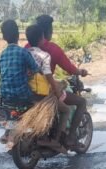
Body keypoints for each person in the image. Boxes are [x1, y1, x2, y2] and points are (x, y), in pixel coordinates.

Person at [29, 15, 89, 148]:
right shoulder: (52, 49)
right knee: (81, 102)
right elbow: (69, 68)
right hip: (46, 90)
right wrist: (81, 72)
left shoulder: (27, 47)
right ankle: (70, 138)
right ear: (47, 32)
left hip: (29, 89)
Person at [25, 24, 70, 153]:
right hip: (41, 94)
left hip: (26, 92)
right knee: (65, 110)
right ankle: (55, 140)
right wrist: (56, 90)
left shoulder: (24, 53)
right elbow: (48, 76)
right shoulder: (44, 56)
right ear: (42, 38)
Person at [0, 20, 39, 108]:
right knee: (37, 96)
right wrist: (29, 73)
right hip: (23, 96)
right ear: (18, 35)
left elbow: (1, 72)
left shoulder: (1, 55)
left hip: (5, 97)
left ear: (4, 37)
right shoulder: (23, 52)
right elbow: (36, 69)